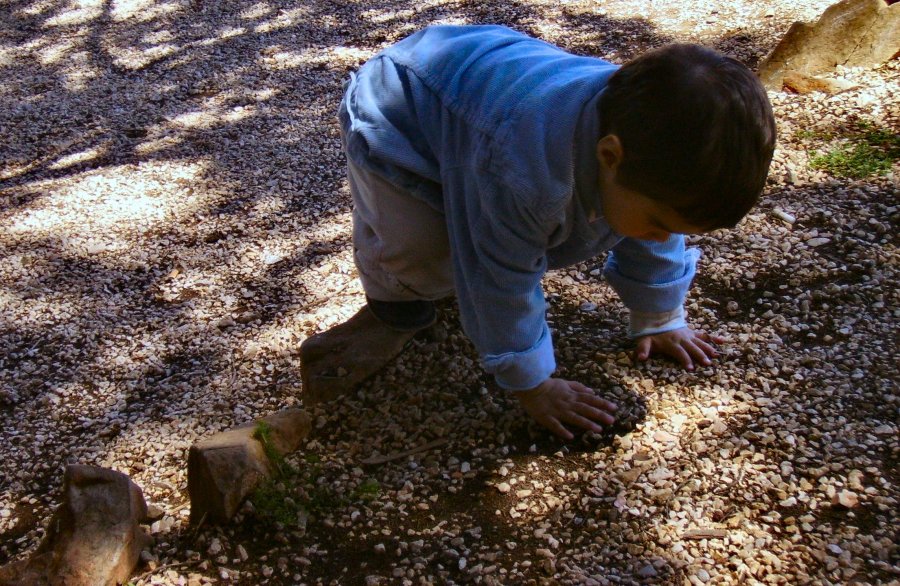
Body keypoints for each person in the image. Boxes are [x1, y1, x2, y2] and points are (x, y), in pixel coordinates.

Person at [302, 24, 776, 440]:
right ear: (608, 156)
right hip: (399, 109)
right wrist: (533, 385)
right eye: (658, 225)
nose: (660, 237)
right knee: (426, 256)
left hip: (476, 86)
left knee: (509, 214)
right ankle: (392, 294)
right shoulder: (522, 171)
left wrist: (659, 316)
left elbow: (660, 230)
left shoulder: (648, 139)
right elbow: (497, 277)